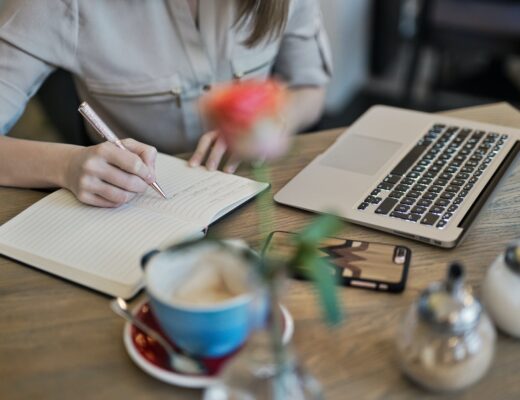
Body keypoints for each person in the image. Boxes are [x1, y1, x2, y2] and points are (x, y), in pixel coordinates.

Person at [0, 0, 332, 207]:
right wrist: (66, 166)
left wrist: (276, 120)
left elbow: (310, 88)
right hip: (136, 207)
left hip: (260, 195)